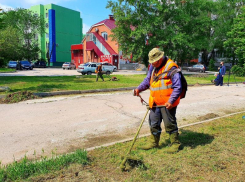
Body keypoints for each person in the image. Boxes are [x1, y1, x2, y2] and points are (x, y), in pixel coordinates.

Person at [134, 48, 183, 153]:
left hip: (167, 103)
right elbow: (148, 80)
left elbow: (178, 86)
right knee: (154, 123)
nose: (152, 64)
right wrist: (139, 88)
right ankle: (154, 142)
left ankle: (175, 144)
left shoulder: (171, 67)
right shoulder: (153, 67)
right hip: (155, 102)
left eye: (154, 62)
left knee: (169, 123)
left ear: (160, 59)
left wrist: (171, 101)